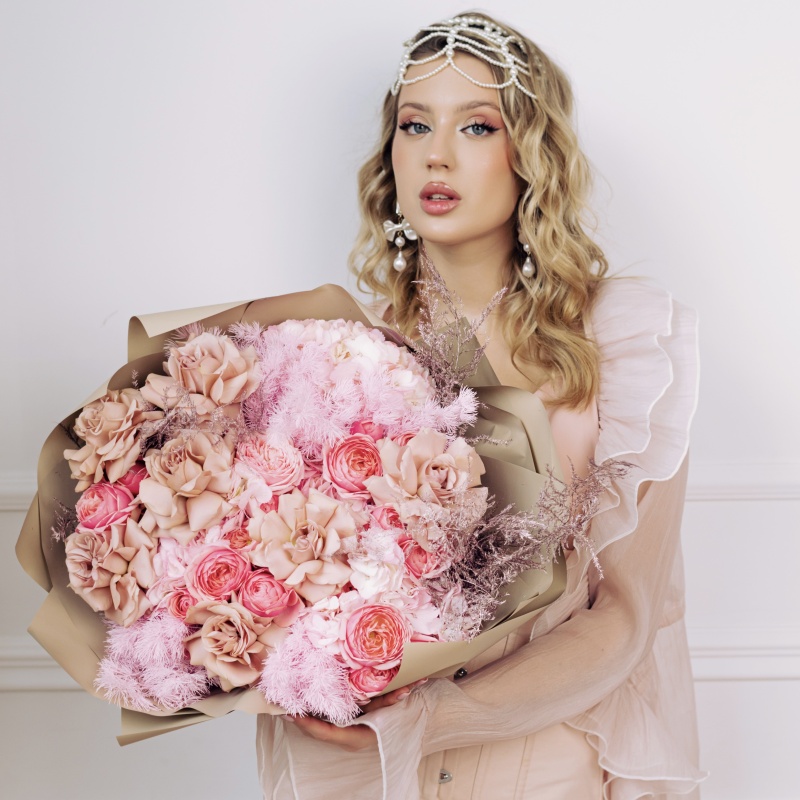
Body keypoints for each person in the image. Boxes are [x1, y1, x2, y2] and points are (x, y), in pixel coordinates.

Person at [256, 13, 704, 799]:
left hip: (543, 764)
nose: (437, 153)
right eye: (415, 124)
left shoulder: (622, 343)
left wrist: (436, 716)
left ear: (530, 152)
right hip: (363, 770)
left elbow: (625, 618)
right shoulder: (335, 356)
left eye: (476, 125)